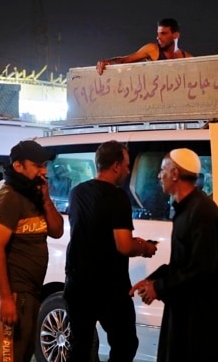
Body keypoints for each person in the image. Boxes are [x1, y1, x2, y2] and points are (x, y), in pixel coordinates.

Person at [129, 149, 218, 362]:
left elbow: (201, 268)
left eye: (162, 170)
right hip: (187, 310)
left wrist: (159, 287)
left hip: (201, 318)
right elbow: (183, 262)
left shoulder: (202, 211)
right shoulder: (188, 208)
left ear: (174, 173)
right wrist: (153, 280)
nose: (158, 176)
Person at [64, 140, 157, 362]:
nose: (127, 169)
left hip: (77, 282)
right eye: (126, 165)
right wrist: (145, 248)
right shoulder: (117, 198)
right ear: (115, 165)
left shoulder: (77, 192)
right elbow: (124, 245)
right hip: (108, 287)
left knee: (80, 344)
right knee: (125, 343)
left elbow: (89, 230)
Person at [0, 140, 64, 362]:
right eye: (38, 165)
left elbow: (57, 231)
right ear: (18, 166)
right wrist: (5, 299)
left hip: (29, 294)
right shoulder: (8, 198)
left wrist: (46, 199)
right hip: (12, 293)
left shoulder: (34, 196)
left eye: (45, 165)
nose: (44, 171)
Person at [96, 18, 193, 75]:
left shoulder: (187, 58)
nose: (158, 37)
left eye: (163, 34)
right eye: (158, 33)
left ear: (175, 35)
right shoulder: (153, 49)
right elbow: (125, 60)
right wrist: (108, 62)